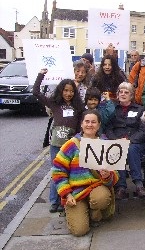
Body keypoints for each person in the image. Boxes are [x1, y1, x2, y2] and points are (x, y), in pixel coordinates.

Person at [52, 109, 119, 236]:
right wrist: (66, 194)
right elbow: (57, 171)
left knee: (101, 199)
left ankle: (95, 214)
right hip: (75, 192)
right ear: (81, 124)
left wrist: (107, 176)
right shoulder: (71, 145)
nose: (90, 125)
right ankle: (80, 212)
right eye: (86, 121)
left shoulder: (106, 145)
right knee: (79, 231)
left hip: (97, 188)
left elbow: (115, 177)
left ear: (99, 125)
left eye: (93, 122)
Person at [33, 69, 84, 213]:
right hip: (56, 145)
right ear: (61, 91)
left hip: (71, 146)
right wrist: (41, 74)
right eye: (65, 90)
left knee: (68, 173)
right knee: (56, 172)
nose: (68, 94)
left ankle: (64, 201)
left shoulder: (78, 107)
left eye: (71, 91)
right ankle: (54, 202)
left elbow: (81, 125)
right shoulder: (54, 104)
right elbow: (36, 92)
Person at [105, 82, 145, 200]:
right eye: (121, 92)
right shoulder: (112, 109)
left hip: (135, 143)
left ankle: (139, 184)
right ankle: (121, 187)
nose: (123, 94)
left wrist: (129, 140)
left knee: (130, 148)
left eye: (126, 92)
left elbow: (143, 129)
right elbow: (108, 128)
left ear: (131, 95)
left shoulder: (140, 109)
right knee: (118, 147)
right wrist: (116, 140)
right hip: (117, 141)